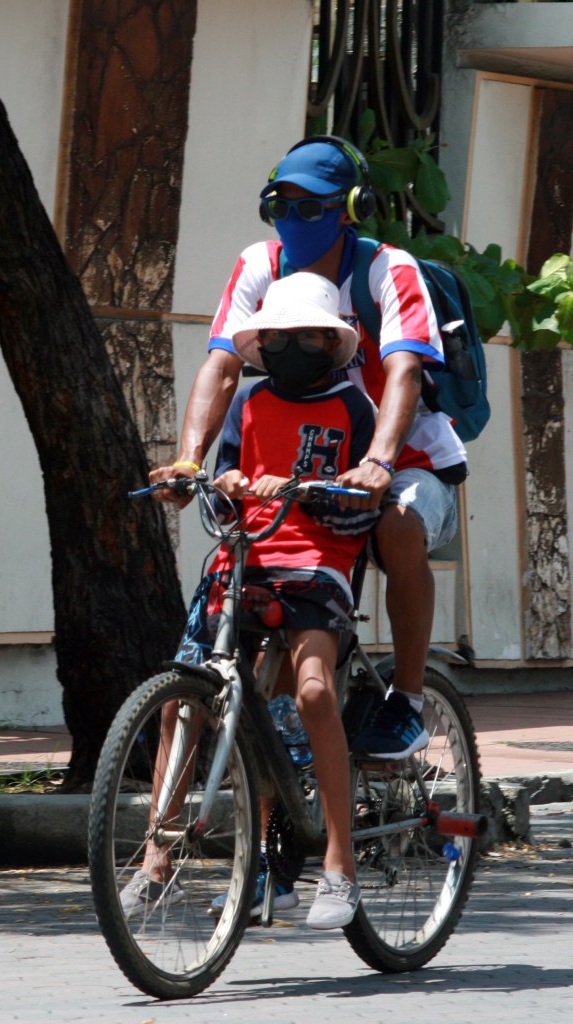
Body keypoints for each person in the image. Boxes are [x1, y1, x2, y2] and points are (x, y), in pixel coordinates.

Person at [150, 135, 468, 761]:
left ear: (351, 208)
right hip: (301, 473)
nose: (294, 220)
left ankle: (405, 702)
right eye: (281, 206)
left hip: (405, 463)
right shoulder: (259, 265)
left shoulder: (388, 270)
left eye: (311, 206)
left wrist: (378, 462)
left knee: (397, 524)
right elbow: (222, 366)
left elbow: (404, 371)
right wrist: (189, 460)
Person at [122, 272, 379, 929]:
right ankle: (157, 858)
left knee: (313, 693)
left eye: (306, 336)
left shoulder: (355, 408)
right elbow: (222, 497)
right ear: (260, 343)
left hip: (318, 567)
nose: (289, 347)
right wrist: (218, 483)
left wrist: (306, 489)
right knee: (182, 694)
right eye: (277, 337)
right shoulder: (249, 401)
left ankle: (340, 865)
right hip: (243, 563)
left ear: (332, 342)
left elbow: (363, 508)